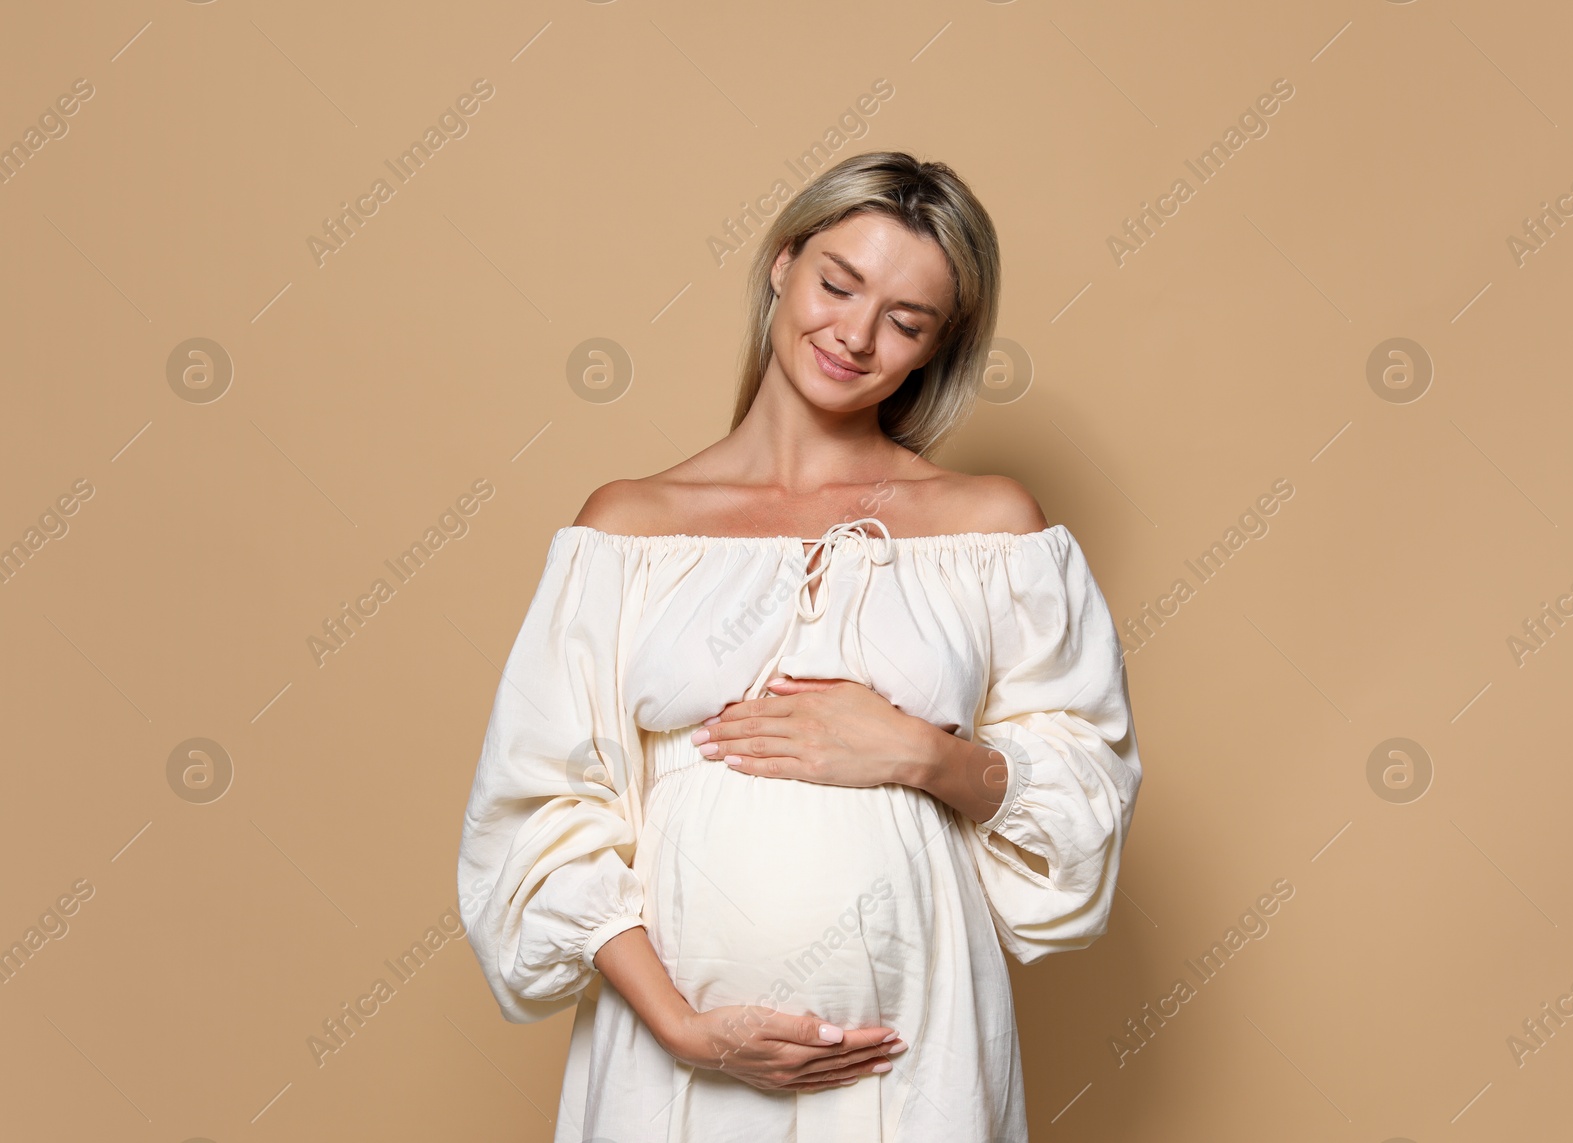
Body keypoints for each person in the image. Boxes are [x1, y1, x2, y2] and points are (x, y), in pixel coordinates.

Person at [457, 150, 1143, 1142]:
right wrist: (685, 1029)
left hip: (916, 1051)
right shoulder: (630, 528)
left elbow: (1087, 789)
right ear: (783, 263)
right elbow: (539, 811)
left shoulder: (987, 528)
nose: (856, 336)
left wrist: (921, 753)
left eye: (906, 322)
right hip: (676, 1062)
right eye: (838, 283)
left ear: (934, 349)